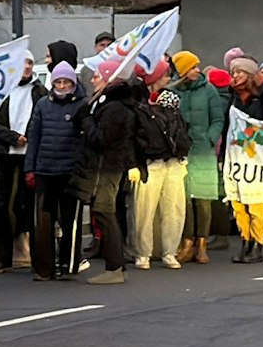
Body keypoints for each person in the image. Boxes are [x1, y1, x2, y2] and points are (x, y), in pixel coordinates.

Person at [0, 56, 43, 274]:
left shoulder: (39, 92)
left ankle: (36, 258)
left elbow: (42, 121)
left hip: (30, 156)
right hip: (5, 154)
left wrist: (28, 138)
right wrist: (11, 136)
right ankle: (1, 256)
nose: (26, 68)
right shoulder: (0, 93)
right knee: (1, 204)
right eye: (22, 63)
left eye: (30, 64)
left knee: (28, 204)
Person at [25, 61, 88, 280]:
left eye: (66, 82)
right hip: (45, 170)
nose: (62, 86)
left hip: (70, 171)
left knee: (70, 221)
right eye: (58, 82)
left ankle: (68, 263)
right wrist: (30, 168)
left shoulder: (83, 104)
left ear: (73, 82)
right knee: (43, 223)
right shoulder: (43, 104)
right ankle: (44, 268)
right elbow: (34, 137)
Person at [80, 75, 144, 284]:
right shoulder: (115, 105)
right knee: (104, 212)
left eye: (99, 76)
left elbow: (102, 138)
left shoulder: (114, 109)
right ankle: (116, 265)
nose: (94, 79)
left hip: (107, 167)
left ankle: (114, 266)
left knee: (104, 211)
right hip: (110, 165)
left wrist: (87, 121)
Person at [222, 57, 263, 263]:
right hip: (237, 158)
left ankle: (257, 243)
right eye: (233, 72)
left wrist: (249, 135)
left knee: (255, 202)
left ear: (250, 74)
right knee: (238, 202)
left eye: (240, 72)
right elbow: (228, 127)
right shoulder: (234, 97)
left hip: (258, 160)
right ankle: (245, 240)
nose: (235, 76)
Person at [170, 52, 226, 265]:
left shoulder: (209, 90)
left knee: (203, 198)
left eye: (197, 67)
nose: (197, 71)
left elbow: (218, 119)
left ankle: (201, 243)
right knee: (184, 198)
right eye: (192, 67)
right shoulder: (173, 92)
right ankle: (187, 241)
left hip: (203, 150)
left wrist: (210, 139)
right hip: (182, 152)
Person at [131, 87, 190, 269]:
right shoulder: (143, 112)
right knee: (145, 210)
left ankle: (167, 252)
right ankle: (145, 253)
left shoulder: (172, 113)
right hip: (152, 163)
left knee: (172, 209)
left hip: (172, 162)